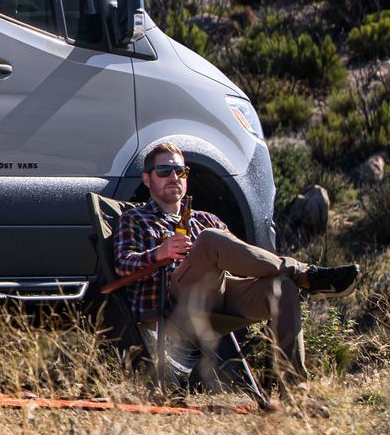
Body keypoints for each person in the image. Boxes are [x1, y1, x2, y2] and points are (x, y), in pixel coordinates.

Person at [113, 141, 357, 385]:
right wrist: (160, 253)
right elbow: (122, 265)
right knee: (210, 239)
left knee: (282, 287)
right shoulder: (134, 219)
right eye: (165, 171)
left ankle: (294, 391)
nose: (174, 177)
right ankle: (305, 274)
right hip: (173, 302)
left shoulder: (206, 218)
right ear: (147, 179)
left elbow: (240, 258)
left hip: (219, 295)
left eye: (181, 171)